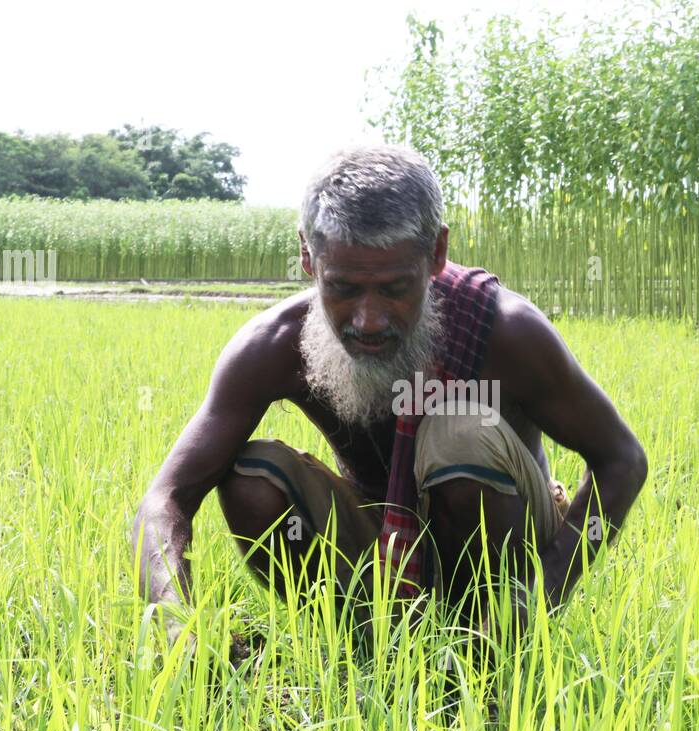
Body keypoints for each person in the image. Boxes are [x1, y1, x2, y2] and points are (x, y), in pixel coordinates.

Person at [131, 144, 647, 652]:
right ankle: (372, 650)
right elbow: (165, 499)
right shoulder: (275, 345)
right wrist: (176, 627)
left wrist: (546, 589)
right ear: (309, 259)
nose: (369, 320)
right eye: (345, 288)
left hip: (505, 548)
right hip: (383, 549)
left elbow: (621, 459)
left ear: (437, 254)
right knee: (250, 480)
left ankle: (485, 653)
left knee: (457, 433)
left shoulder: (505, 333)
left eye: (396, 288)